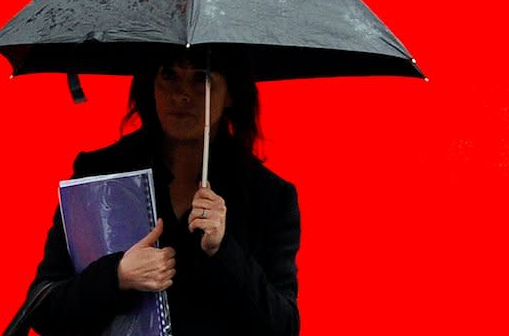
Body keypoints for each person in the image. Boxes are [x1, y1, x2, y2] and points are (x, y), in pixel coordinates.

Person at [22, 47, 301, 336]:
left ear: (230, 92)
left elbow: (283, 327)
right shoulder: (100, 175)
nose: (181, 94)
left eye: (201, 78)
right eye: (169, 75)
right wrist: (116, 276)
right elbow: (44, 309)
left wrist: (223, 251)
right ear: (150, 83)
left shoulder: (269, 197)